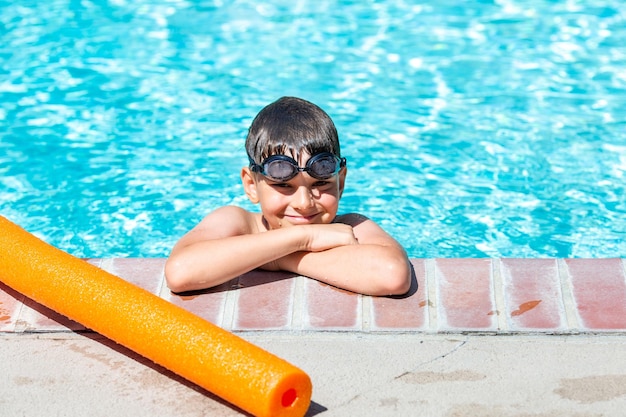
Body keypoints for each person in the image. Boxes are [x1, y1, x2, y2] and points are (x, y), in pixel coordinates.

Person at [165, 96, 411, 296]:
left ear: (341, 181)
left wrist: (280, 259)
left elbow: (392, 275)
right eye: (284, 186)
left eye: (322, 183)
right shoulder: (237, 222)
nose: (304, 203)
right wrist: (304, 238)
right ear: (251, 184)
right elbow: (180, 272)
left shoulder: (352, 226)